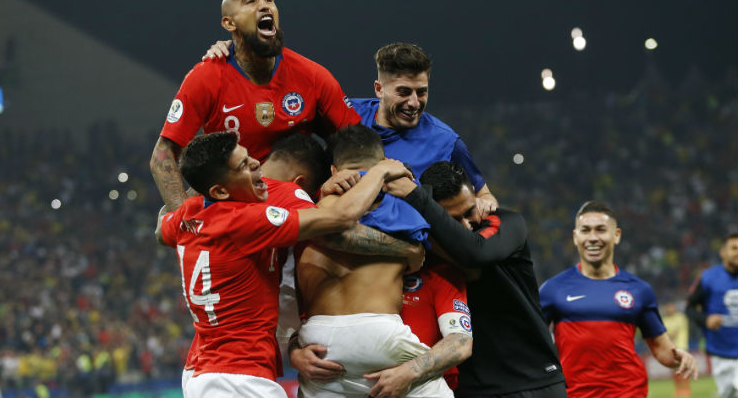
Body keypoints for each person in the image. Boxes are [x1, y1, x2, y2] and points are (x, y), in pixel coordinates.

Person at [155, 131, 411, 397]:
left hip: (202, 370)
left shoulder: (188, 212)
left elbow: (162, 230)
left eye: (250, 156)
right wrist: (378, 172)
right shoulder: (248, 219)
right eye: (243, 164)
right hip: (237, 378)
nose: (256, 164)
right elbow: (340, 218)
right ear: (219, 190)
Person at [203, 41, 498, 214]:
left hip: (405, 267)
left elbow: (485, 195)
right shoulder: (345, 113)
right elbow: (278, 109)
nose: (414, 102)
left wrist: (484, 204)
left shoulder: (446, 141)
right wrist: (237, 52)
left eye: (422, 91)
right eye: (404, 91)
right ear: (378, 88)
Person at [151, 0, 360, 212]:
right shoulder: (205, 77)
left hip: (299, 202)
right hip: (234, 205)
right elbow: (163, 153)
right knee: (166, 218)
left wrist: (341, 174)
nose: (264, 6)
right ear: (229, 23)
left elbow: (354, 141)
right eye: (250, 1)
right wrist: (183, 218)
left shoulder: (312, 76)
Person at [292, 125, 459, 398]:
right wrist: (407, 251)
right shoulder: (400, 208)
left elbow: (329, 236)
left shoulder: (306, 211)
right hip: (378, 332)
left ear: (334, 170)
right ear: (384, 165)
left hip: (317, 340)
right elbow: (423, 258)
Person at [386, 161, 567, 398]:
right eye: (452, 219)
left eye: (469, 211)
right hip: (473, 389)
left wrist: (417, 197)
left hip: (534, 381)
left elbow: (475, 253)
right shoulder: (422, 251)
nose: (467, 225)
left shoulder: (507, 223)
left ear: (474, 194)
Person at [539, 200, 698, 398]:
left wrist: (678, 356)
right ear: (575, 236)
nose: (593, 237)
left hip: (628, 392)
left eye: (601, 230)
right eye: (585, 230)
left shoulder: (639, 290)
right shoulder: (553, 289)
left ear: (617, 235)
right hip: (575, 394)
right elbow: (530, 342)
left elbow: (661, 349)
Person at [686, 232, 738, 398]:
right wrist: (706, 319)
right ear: (723, 252)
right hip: (720, 352)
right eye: (734, 248)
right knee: (727, 394)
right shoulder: (708, 278)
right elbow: (690, 308)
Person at [662, 301, 691, 398]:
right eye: (668, 307)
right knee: (674, 370)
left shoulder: (681, 317)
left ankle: (686, 389)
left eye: (672, 306)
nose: (670, 309)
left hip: (682, 346)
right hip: (671, 349)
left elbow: (672, 332)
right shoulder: (664, 319)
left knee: (684, 368)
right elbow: (664, 334)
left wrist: (670, 333)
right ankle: (678, 390)